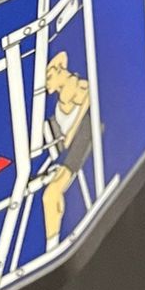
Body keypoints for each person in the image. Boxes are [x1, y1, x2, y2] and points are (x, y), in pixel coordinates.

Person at [40, 51, 93, 253]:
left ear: (58, 70)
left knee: (51, 194)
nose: (46, 84)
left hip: (83, 139)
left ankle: (52, 248)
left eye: (48, 76)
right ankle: (52, 246)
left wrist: (73, 130)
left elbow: (90, 94)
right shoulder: (60, 99)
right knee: (50, 194)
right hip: (67, 151)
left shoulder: (72, 85)